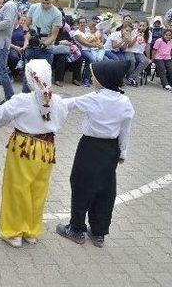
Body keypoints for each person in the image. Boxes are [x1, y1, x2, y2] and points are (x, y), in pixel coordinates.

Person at [57, 60, 134, 248]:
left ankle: (76, 229)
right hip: (111, 149)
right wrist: (122, 152)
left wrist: (48, 98)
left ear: (103, 79)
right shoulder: (124, 101)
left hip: (89, 147)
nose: (91, 78)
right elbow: (125, 130)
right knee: (105, 189)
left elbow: (68, 104)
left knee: (81, 184)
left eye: (94, 75)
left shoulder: (94, 98)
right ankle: (99, 232)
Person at [0, 59, 69, 247]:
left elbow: (0, 117)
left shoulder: (21, 101)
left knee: (17, 188)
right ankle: (31, 230)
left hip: (24, 148)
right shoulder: (58, 102)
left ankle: (14, 232)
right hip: (46, 149)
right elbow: (59, 120)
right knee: (38, 189)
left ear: (30, 78)